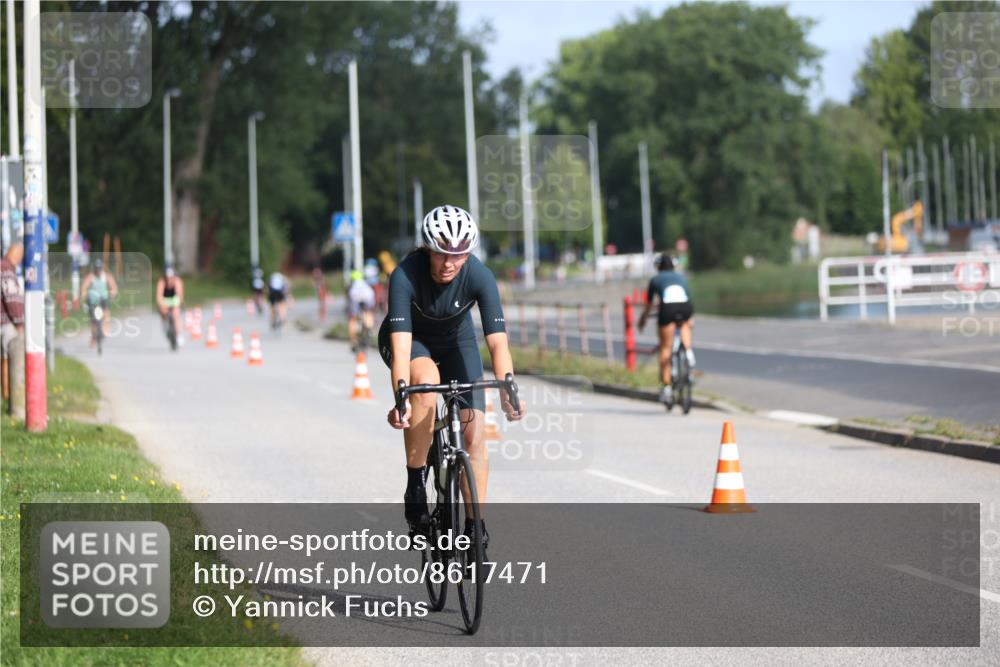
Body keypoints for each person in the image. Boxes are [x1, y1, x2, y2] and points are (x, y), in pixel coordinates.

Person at [381, 205, 524, 546]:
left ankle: (476, 527)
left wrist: (508, 389)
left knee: (475, 434)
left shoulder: (479, 275)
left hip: (457, 342)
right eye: (442, 253)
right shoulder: (404, 275)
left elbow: (498, 345)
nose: (449, 263)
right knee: (426, 383)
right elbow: (401, 353)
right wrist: (401, 401)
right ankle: (415, 484)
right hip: (412, 340)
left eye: (458, 255)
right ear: (428, 249)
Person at [638, 253, 695, 404]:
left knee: (665, 348)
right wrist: (690, 321)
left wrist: (642, 321)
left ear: (658, 267)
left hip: (667, 309)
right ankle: (688, 353)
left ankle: (667, 387)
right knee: (685, 326)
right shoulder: (682, 278)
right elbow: (688, 298)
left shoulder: (655, 280)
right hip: (686, 308)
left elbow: (649, 306)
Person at [1, 244, 25, 408]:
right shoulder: (7, 270)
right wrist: (19, 322)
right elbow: (11, 298)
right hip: (6, 322)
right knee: (8, 359)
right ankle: (10, 399)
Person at [80, 259, 119, 347]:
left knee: (106, 312)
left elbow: (113, 286)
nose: (98, 271)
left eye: (100, 269)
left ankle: (105, 329)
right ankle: (93, 337)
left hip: (103, 298)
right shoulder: (91, 277)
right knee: (93, 320)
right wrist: (84, 294)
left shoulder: (107, 276)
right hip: (92, 300)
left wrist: (113, 292)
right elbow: (84, 287)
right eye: (97, 269)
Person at [155, 266, 185, 347]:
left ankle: (179, 335)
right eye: (167, 278)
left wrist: (177, 306)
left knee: (176, 314)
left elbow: (179, 295)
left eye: (170, 278)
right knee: (163, 313)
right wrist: (162, 306)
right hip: (165, 300)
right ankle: (165, 326)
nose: (169, 280)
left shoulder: (177, 281)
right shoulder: (161, 282)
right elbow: (158, 296)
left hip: (175, 300)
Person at [347, 269, 376, 351]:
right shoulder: (365, 283)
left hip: (355, 294)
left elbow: (349, 298)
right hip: (368, 294)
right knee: (368, 312)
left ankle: (354, 341)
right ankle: (369, 328)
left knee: (352, 319)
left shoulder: (352, 284)